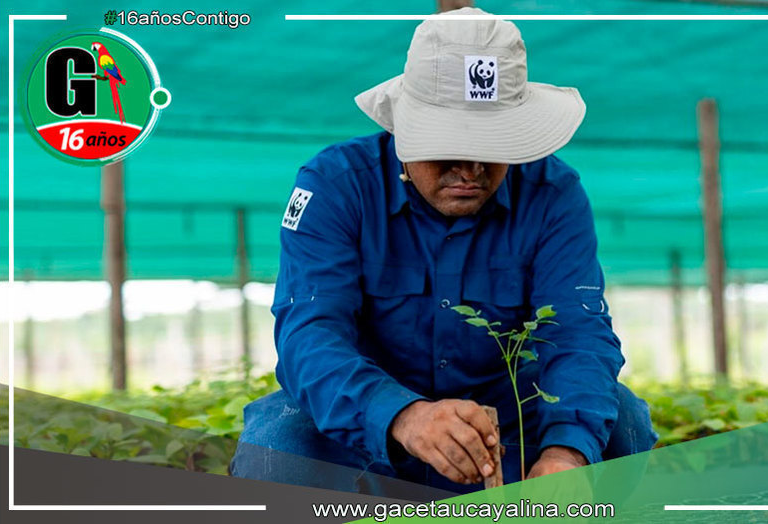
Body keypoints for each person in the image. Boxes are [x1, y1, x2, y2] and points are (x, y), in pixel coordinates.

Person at [230, 7, 658, 495]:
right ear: (402, 130)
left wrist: (567, 452)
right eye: (447, 148)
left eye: (494, 145)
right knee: (279, 445)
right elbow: (310, 334)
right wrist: (404, 416)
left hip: (512, 424)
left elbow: (576, 331)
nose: (471, 168)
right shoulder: (336, 187)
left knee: (622, 423)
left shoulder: (553, 194)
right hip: (369, 425)